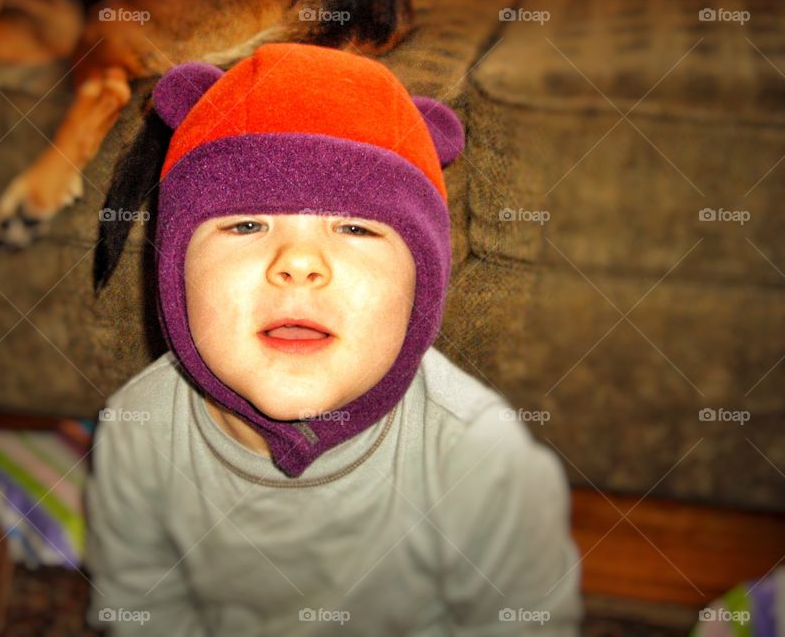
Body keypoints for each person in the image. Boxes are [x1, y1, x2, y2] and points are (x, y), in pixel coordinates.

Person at [84, 42, 584, 635]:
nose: (298, 262)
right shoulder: (136, 431)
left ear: (421, 289)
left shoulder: (478, 455)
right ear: (172, 274)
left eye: (354, 226)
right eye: (246, 223)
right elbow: (143, 610)